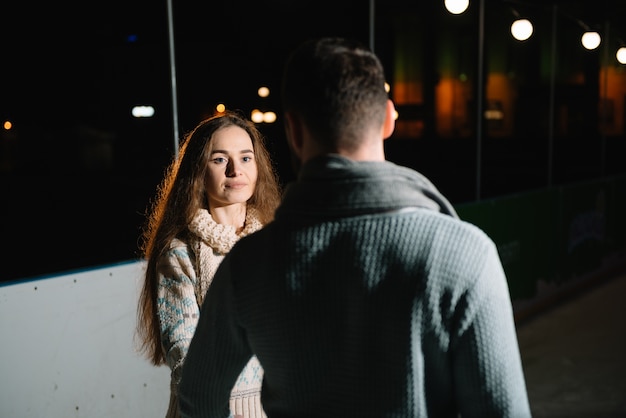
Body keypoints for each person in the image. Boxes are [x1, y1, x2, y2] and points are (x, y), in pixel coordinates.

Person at [178, 37, 531, 417]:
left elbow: (198, 397)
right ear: (389, 120)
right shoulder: (465, 252)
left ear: (294, 131)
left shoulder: (248, 263)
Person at [135, 110, 282, 418]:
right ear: (198, 172)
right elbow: (183, 351)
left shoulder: (275, 242)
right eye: (219, 159)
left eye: (245, 158)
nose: (234, 170)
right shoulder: (178, 254)